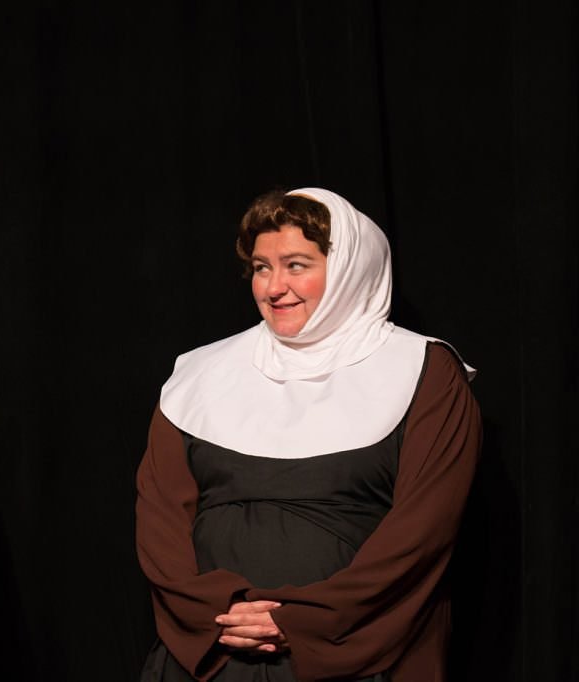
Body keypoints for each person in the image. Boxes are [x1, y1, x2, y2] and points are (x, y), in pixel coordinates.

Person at [136, 188, 482, 681]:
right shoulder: (199, 374)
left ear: (348, 270)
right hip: (215, 653)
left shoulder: (424, 371)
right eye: (261, 267)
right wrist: (217, 611)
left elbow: (422, 532)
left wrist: (301, 621)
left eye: (296, 265)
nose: (273, 287)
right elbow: (160, 520)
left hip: (357, 655)